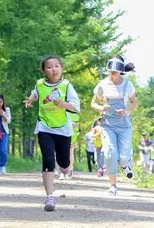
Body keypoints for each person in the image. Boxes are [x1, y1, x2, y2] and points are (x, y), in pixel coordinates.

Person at [22, 55, 80, 211]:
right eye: (49, 67)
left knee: (64, 164)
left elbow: (76, 107)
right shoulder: (40, 84)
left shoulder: (66, 85)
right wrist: (30, 99)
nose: (53, 69)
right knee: (48, 160)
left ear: (61, 68)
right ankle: (50, 197)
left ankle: (65, 167)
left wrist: (63, 104)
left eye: (56, 66)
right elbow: (36, 93)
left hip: (63, 129)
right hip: (44, 127)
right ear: (44, 71)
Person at [91, 56, 137, 195]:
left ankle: (125, 165)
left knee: (123, 156)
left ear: (120, 71)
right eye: (110, 71)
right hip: (108, 125)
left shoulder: (128, 85)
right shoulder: (102, 84)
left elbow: (134, 103)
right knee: (110, 153)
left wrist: (125, 110)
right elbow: (93, 103)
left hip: (124, 125)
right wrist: (102, 108)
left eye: (115, 72)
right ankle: (113, 185)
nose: (112, 74)